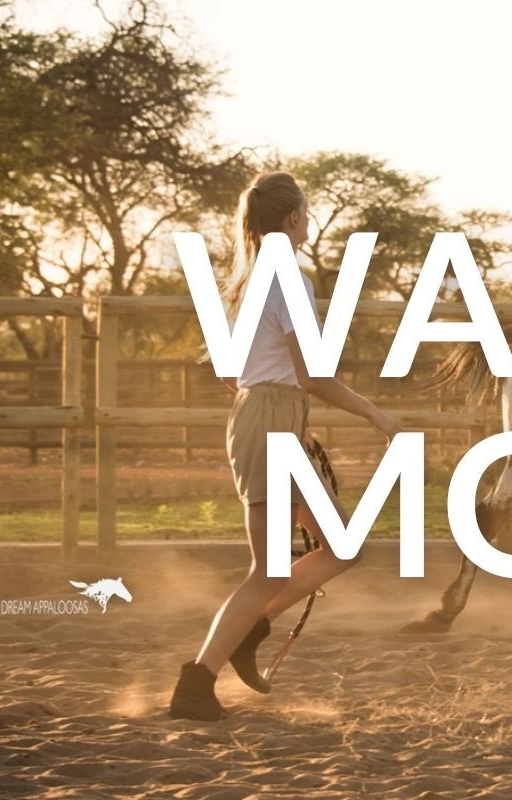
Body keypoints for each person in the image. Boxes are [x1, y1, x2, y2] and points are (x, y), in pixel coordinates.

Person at [168, 172, 401, 721]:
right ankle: (199, 681)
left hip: (263, 416)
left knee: (342, 546)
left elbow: (233, 372)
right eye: (307, 212)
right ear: (294, 218)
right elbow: (314, 375)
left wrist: (288, 415)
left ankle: (245, 638)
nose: (308, 219)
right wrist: (374, 413)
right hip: (272, 418)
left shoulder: (247, 281)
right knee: (270, 570)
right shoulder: (288, 280)